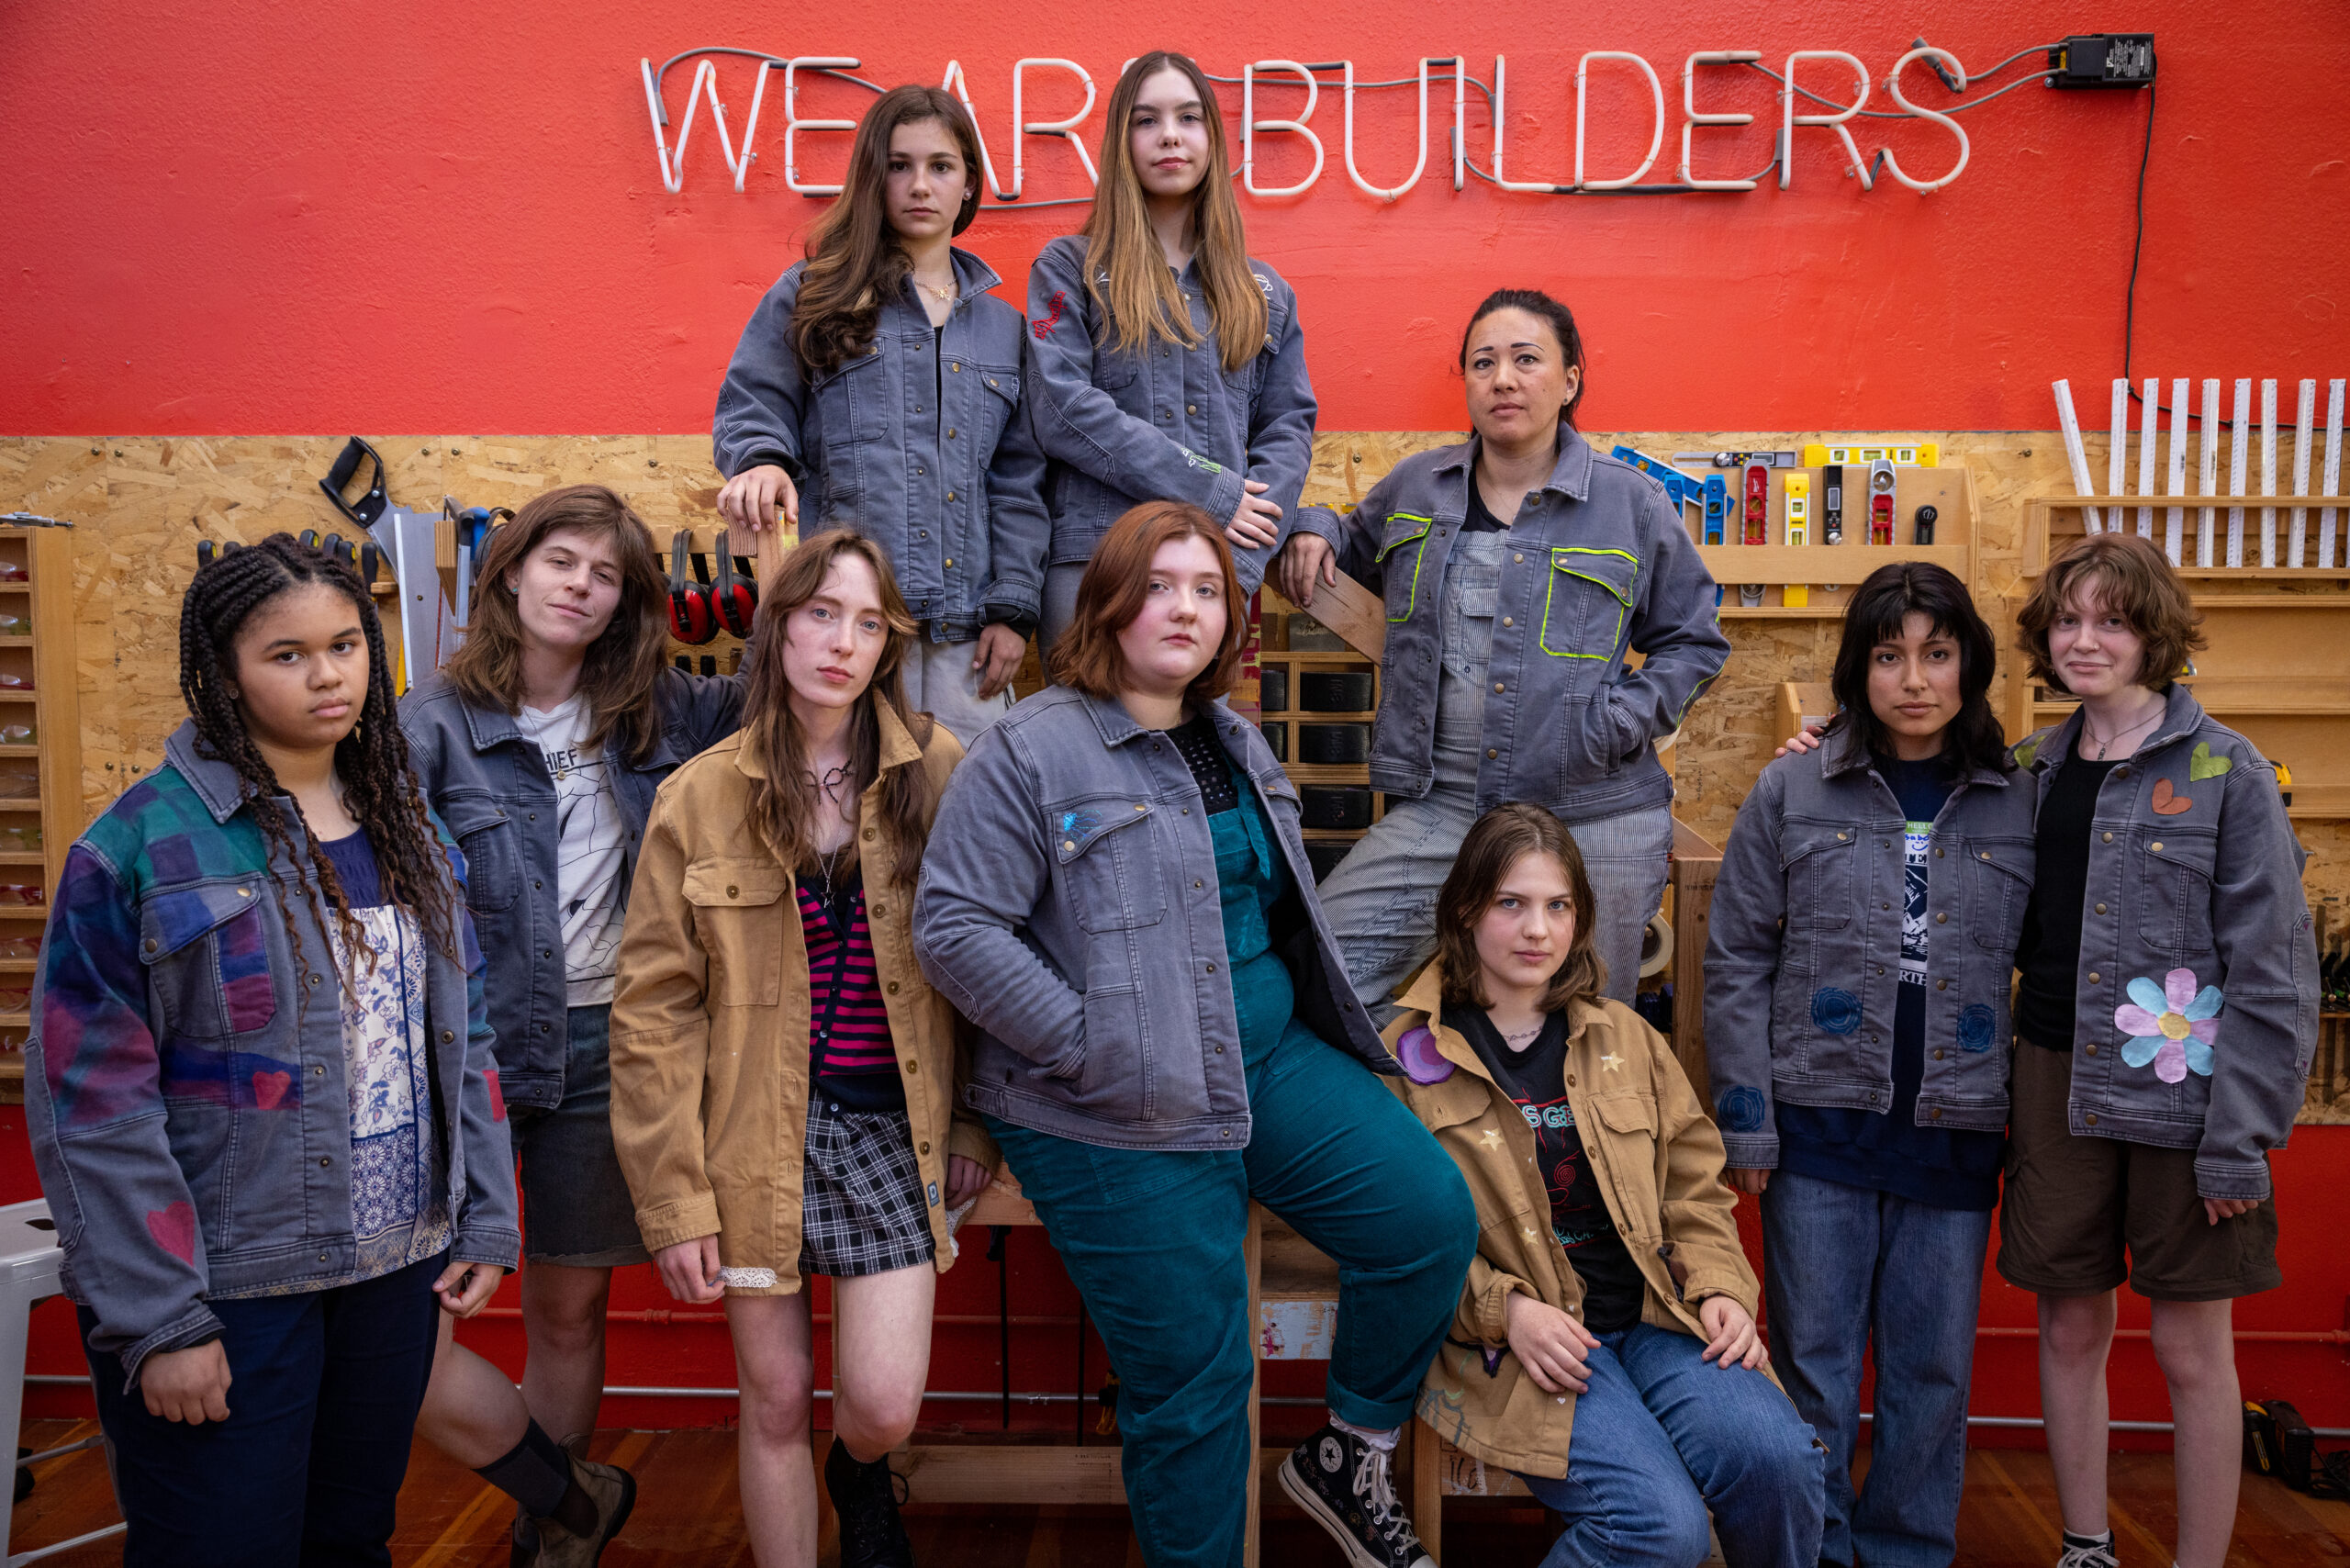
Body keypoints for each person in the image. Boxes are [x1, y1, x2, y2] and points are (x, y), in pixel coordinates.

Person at [914, 500, 1476, 1568]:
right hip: (1108, 1099)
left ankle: (1347, 1455)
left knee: (1426, 1219)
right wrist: (1087, 1043)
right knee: (1196, 1384)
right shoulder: (1029, 749)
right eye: (1159, 586)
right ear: (1107, 604)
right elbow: (954, 927)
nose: (1185, 608)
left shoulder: (1232, 738)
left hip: (1260, 1056)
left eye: (1208, 589)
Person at [25, 534, 518, 1565]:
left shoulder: (409, 824)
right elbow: (93, 1105)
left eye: (345, 645)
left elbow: (463, 1033)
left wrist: (485, 1213)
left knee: (352, 1540)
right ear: (224, 670)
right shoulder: (139, 847)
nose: (327, 674)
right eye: (286, 654)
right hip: (228, 1284)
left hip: (395, 1267)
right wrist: (161, 1319)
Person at [610, 529, 992, 1568]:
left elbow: (987, 974)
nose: (842, 642)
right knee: (774, 1398)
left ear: (888, 644)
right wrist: (674, 1197)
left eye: (868, 623)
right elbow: (653, 1011)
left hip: (892, 1132)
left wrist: (971, 1123)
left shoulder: (940, 773)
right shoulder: (698, 796)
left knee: (882, 1405)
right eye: (822, 614)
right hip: (750, 1137)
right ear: (778, 627)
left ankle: (860, 1468)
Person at [400, 484, 752, 1562]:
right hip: (465, 1052)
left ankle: (550, 1532)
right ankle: (571, 1492)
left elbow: (799, 680)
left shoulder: (664, 709)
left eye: (606, 575)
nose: (581, 587)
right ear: (510, 570)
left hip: (609, 1042)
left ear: (626, 601)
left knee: (566, 1310)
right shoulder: (430, 726)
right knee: (400, 1332)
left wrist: (772, 549)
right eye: (562, 562)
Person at [1392, 802, 1823, 1568]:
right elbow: (1397, 1238)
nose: (1538, 930)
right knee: (1659, 1527)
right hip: (1524, 1346)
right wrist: (1505, 1310)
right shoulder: (1405, 1060)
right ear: (1465, 910)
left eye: (1558, 906)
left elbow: (1692, 1187)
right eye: (1512, 903)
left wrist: (1721, 1286)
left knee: (1780, 1464)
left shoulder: (1625, 1037)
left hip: (1657, 1318)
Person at [1706, 561, 2033, 1567]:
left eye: (1938, 654)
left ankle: (1905, 1552)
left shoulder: (2021, 797)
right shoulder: (1793, 784)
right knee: (1814, 1364)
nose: (1915, 680)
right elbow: (1735, 958)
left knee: (1931, 1375)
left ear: (1971, 663)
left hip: (1954, 1127)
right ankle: (1814, 1549)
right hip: (1819, 1124)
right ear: (1858, 668)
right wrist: (1747, 1122)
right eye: (1889, 656)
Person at [2001, 532, 2316, 1568]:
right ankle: (2085, 1545)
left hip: (2188, 1091)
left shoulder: (2228, 770)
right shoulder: (2029, 770)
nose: (2085, 639)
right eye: (2068, 619)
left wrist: (2242, 1138)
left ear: (2154, 636)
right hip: (2054, 1077)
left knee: (2189, 1345)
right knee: (2068, 1327)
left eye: (2113, 620)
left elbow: (2273, 967)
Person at [1279, 289, 1728, 1014]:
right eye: (1483, 363)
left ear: (1570, 380)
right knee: (1317, 984)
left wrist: (1613, 724)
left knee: (1586, 1022)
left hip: (1594, 809)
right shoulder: (1417, 487)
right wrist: (1312, 527)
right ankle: (1436, 1076)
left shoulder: (1631, 505)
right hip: (1447, 802)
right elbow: (1348, 540)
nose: (1503, 379)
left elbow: (1693, 641)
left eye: (1526, 359)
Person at [713, 84, 1049, 745]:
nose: (920, 185)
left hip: (964, 642)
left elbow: (1019, 483)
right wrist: (761, 460)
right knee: (828, 800)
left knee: (966, 805)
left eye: (940, 166)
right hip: (838, 630)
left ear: (969, 183)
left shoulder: (1004, 331)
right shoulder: (812, 295)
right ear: (873, 176)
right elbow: (754, 401)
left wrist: (1014, 609)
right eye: (899, 166)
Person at [1024, 51, 1317, 650]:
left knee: (1196, 719)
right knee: (1084, 717)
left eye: (1188, 117)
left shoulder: (1265, 293)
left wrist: (1236, 568)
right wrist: (1211, 492)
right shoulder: (1069, 268)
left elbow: (1286, 431)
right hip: (1097, 566)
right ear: (1121, 141)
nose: (1169, 136)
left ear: (1212, 138)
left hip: (1213, 575)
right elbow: (1061, 408)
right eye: (1146, 120)